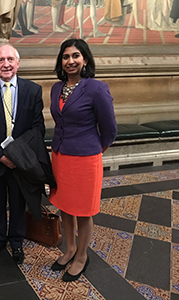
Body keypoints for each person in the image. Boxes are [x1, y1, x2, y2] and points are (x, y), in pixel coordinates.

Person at [49, 39, 117, 282]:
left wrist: (95, 149)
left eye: (76, 56)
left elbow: (109, 129)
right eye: (66, 56)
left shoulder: (97, 88)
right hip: (60, 157)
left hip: (85, 160)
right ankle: (69, 249)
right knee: (65, 206)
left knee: (83, 211)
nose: (70, 61)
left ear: (85, 59)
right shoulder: (56, 88)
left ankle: (81, 256)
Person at [0, 44, 45, 265]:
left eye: (10, 59)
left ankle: (16, 242)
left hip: (20, 162)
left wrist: (17, 154)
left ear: (17, 62)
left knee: (17, 204)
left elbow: (37, 129)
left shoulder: (33, 90)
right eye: (0, 60)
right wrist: (0, 155)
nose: (6, 64)